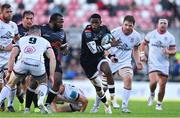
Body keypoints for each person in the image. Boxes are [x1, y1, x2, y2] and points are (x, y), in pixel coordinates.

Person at [90, 15, 143, 113]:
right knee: (103, 87)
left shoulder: (137, 36)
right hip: (111, 62)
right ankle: (96, 106)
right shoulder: (114, 33)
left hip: (125, 62)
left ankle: (124, 107)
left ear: (133, 26)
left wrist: (138, 61)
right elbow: (104, 48)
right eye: (126, 25)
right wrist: (111, 57)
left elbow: (136, 50)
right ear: (122, 24)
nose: (127, 27)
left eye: (130, 25)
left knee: (128, 78)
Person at [0, 25, 56, 113]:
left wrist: (9, 71)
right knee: (43, 83)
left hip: (23, 62)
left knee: (10, 83)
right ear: (40, 33)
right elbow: (52, 58)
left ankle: (0, 101)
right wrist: (52, 75)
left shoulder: (21, 40)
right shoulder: (45, 41)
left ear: (29, 32)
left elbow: (12, 56)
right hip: (38, 64)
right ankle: (41, 101)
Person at [25, 13, 68, 113]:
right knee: (33, 84)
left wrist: (65, 50)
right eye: (60, 22)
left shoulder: (62, 33)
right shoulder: (41, 29)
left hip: (53, 60)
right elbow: (29, 40)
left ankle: (47, 105)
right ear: (52, 21)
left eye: (63, 22)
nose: (62, 24)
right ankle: (27, 108)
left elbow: (64, 48)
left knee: (57, 81)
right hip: (40, 59)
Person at [80, 13, 120, 114]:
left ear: (100, 23)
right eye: (92, 22)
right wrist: (110, 44)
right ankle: (106, 105)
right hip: (87, 62)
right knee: (99, 88)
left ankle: (113, 99)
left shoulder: (105, 29)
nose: (94, 25)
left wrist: (111, 55)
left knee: (108, 71)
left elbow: (111, 40)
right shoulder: (87, 32)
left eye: (96, 23)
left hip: (99, 58)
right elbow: (94, 50)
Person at [140, 18, 176, 110]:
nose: (163, 24)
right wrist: (142, 55)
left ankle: (159, 104)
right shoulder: (151, 34)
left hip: (164, 63)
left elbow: (174, 51)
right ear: (158, 24)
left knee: (162, 85)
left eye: (165, 23)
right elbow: (143, 44)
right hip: (153, 62)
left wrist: (168, 51)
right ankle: (152, 94)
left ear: (167, 25)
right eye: (161, 23)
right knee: (153, 82)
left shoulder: (170, 37)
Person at [0, 3, 19, 112]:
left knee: (13, 81)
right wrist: (3, 47)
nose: (10, 14)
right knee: (1, 84)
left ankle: (10, 105)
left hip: (9, 58)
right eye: (7, 12)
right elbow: (5, 47)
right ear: (1, 13)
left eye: (11, 11)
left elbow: (17, 38)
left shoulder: (13, 25)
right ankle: (1, 102)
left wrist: (16, 45)